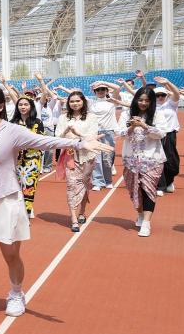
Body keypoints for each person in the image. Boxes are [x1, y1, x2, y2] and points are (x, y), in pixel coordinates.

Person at [0, 85, 111, 334]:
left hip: (6, 201)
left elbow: (45, 142)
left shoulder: (12, 131)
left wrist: (80, 142)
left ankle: (16, 293)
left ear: (0, 106)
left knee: (11, 255)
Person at [117, 86, 166, 237]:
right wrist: (132, 127)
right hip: (131, 160)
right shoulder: (126, 114)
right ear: (135, 100)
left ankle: (146, 223)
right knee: (134, 190)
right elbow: (120, 134)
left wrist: (144, 126)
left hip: (152, 159)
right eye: (140, 100)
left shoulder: (157, 114)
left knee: (148, 190)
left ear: (152, 102)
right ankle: (139, 214)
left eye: (147, 100)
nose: (143, 103)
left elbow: (161, 134)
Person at [54, 90, 98, 233]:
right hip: (70, 155)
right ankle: (73, 218)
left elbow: (93, 136)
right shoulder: (63, 118)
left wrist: (78, 134)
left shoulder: (91, 117)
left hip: (87, 156)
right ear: (68, 103)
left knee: (84, 184)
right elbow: (57, 137)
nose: (75, 103)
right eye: (72, 101)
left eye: (78, 101)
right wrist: (65, 131)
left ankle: (82, 212)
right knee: (72, 185)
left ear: (83, 101)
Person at [10, 94, 45, 218]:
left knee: (29, 186)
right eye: (20, 104)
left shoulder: (37, 122)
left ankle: (27, 211)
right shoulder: (12, 123)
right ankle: (17, 209)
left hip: (32, 160)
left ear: (31, 106)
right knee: (14, 186)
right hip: (14, 160)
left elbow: (40, 140)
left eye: (26, 104)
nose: (23, 107)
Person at [88, 81, 123, 190]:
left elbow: (117, 88)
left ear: (107, 90)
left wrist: (103, 82)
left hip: (108, 132)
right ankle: (97, 182)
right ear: (94, 91)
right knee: (96, 158)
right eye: (98, 90)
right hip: (94, 133)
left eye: (103, 89)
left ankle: (108, 180)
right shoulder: (91, 102)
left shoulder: (111, 101)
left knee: (107, 158)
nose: (100, 91)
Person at [152, 77, 182, 194]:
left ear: (166, 96)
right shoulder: (151, 107)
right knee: (158, 161)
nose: (160, 97)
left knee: (172, 162)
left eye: (162, 95)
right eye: (157, 95)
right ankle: (160, 186)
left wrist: (168, 82)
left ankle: (169, 181)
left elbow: (177, 93)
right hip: (157, 135)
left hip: (169, 135)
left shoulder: (171, 104)